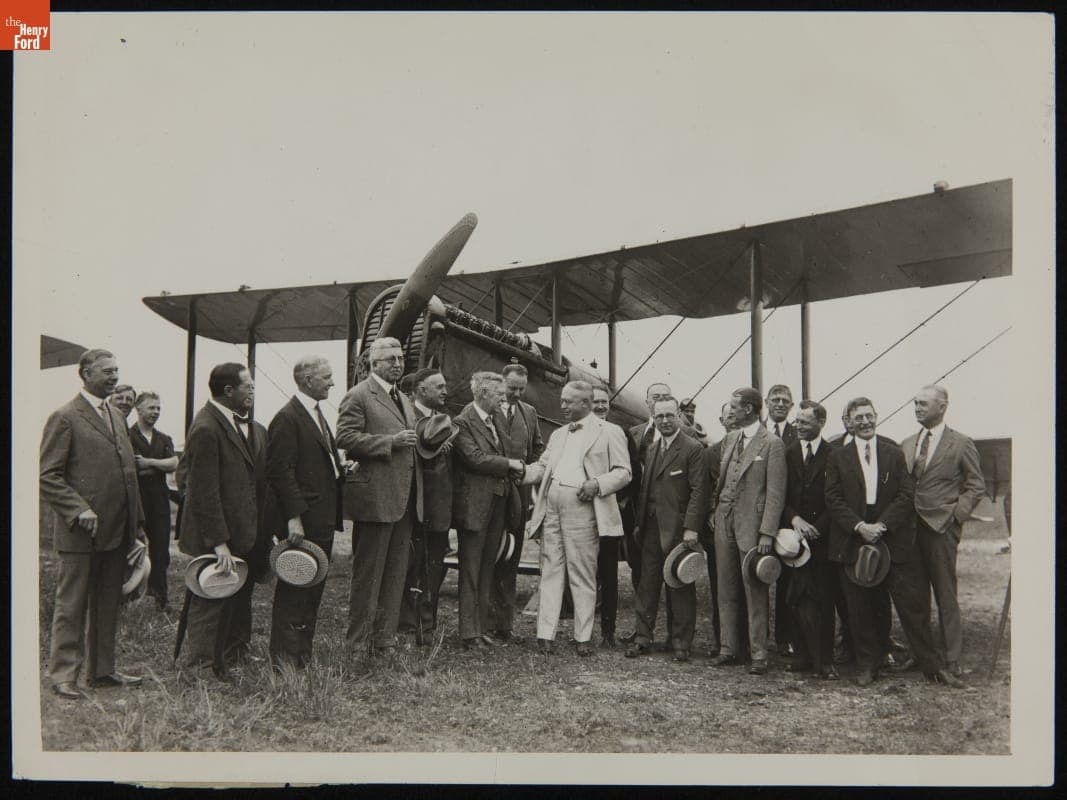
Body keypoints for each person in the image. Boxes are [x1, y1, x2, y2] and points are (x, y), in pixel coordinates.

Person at [824, 397, 963, 689]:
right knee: (860, 608)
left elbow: (905, 494)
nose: (864, 422)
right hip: (854, 538)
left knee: (912, 606)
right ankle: (867, 666)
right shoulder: (837, 456)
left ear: (876, 416)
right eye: (858, 417)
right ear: (849, 421)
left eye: (868, 416)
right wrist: (860, 526)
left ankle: (933, 667)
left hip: (892, 537)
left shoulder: (893, 453)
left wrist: (882, 525)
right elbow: (833, 499)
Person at [40, 349, 146, 699]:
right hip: (80, 534)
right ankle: (63, 675)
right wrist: (78, 508)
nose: (114, 377)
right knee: (71, 605)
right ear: (85, 373)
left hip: (116, 531)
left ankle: (102, 672)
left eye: (117, 370)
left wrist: (137, 527)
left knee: (106, 603)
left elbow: (129, 474)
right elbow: (48, 476)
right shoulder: (65, 417)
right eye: (107, 372)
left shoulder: (116, 415)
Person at [524, 381, 631, 655]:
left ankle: (582, 637)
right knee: (550, 568)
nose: (562, 406)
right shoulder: (559, 434)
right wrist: (520, 471)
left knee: (582, 572)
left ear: (585, 403)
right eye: (562, 400)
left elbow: (623, 472)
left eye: (568, 402)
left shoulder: (610, 432)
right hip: (552, 505)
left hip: (583, 506)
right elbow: (544, 466)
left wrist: (597, 483)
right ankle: (544, 634)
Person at [176, 362, 268, 679]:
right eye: (248, 385)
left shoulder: (228, 423)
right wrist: (219, 543)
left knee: (237, 595)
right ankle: (199, 668)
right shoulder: (206, 428)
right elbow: (203, 492)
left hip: (240, 531)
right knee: (210, 597)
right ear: (229, 391)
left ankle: (232, 656)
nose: (253, 390)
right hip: (216, 535)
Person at [336, 337, 424, 659]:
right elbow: (344, 437)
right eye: (391, 360)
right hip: (375, 500)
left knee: (395, 574)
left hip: (402, 501)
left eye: (401, 358)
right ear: (374, 364)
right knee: (368, 577)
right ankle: (356, 645)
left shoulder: (402, 398)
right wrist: (390, 441)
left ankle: (384, 641)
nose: (398, 364)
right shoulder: (359, 395)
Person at [265, 356, 346, 668]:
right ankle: (285, 659)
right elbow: (279, 472)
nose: (332, 383)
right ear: (308, 379)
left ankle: (301, 655)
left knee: (312, 586)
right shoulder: (288, 418)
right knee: (295, 587)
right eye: (327, 377)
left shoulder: (313, 414)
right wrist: (293, 517)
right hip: (304, 519)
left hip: (320, 516)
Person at [900, 384, 985, 678]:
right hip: (910, 530)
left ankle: (952, 658)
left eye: (923, 404)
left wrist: (956, 516)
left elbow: (976, 485)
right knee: (916, 596)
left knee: (945, 594)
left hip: (941, 528)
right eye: (915, 404)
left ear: (942, 406)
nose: (917, 408)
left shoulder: (961, 443)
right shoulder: (907, 443)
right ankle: (922, 655)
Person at [708, 386, 786, 675]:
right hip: (724, 520)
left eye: (734, 407)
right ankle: (728, 649)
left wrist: (767, 532)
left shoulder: (771, 443)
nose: (730, 412)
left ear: (749, 409)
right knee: (725, 587)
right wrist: (715, 511)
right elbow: (723, 480)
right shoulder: (730, 438)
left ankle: (759, 654)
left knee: (755, 589)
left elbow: (776, 492)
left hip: (752, 526)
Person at [625, 396, 708, 663]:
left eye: (670, 416)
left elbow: (699, 493)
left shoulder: (693, 449)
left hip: (678, 530)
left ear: (679, 416)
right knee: (647, 584)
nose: (665, 421)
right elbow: (645, 489)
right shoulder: (652, 447)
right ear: (654, 417)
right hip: (650, 527)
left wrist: (691, 529)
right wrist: (639, 524)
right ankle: (642, 637)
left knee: (680, 583)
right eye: (659, 417)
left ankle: (681, 642)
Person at [451, 372, 525, 650]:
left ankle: (480, 630)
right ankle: (469, 634)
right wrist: (511, 464)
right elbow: (475, 459)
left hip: (497, 503)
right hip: (476, 508)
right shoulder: (462, 422)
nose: (504, 400)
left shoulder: (493, 420)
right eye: (499, 395)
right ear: (482, 393)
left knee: (485, 569)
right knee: (471, 569)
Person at [780, 400, 838, 679]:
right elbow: (780, 495)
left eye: (804, 422)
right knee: (795, 597)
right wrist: (794, 520)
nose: (798, 426)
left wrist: (818, 527)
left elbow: (837, 499)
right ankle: (801, 654)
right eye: (797, 421)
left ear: (820, 423)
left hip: (822, 540)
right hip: (793, 539)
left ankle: (824, 660)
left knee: (823, 599)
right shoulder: (789, 453)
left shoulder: (833, 454)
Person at [488, 363, 545, 644]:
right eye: (512, 388)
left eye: (521, 389)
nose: (516, 394)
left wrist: (529, 470)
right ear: (501, 383)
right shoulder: (487, 409)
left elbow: (537, 448)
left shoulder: (529, 413)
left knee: (511, 556)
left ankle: (504, 625)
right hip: (491, 493)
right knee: (491, 556)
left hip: (519, 496)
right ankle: (485, 623)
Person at [399, 367, 456, 642]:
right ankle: (410, 627)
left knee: (434, 567)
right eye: (439, 386)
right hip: (415, 509)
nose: (445, 391)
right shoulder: (405, 416)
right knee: (412, 567)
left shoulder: (444, 420)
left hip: (439, 510)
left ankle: (427, 626)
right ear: (422, 390)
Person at [591, 385, 637, 647]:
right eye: (595, 402)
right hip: (583, 513)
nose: (600, 407)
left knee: (608, 572)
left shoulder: (619, 433)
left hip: (609, 511)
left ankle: (608, 631)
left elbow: (630, 472)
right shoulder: (577, 431)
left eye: (604, 402)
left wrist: (619, 501)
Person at [129, 391, 178, 611]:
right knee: (133, 547)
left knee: (161, 550)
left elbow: (174, 464)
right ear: (138, 409)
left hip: (159, 499)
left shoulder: (164, 438)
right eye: (151, 408)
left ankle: (160, 598)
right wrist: (160, 464)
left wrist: (149, 462)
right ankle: (128, 595)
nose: (156, 412)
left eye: (158, 408)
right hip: (136, 498)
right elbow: (134, 467)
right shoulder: (128, 436)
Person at [765, 384, 797, 656]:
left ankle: (785, 637)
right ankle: (756, 637)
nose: (779, 403)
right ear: (766, 402)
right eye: (775, 399)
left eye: (785, 400)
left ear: (791, 405)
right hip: (760, 514)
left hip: (789, 515)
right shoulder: (756, 432)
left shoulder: (798, 434)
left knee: (790, 579)